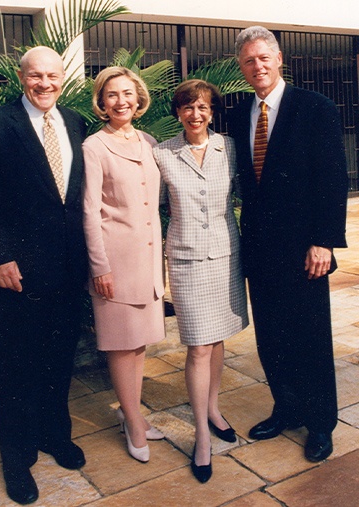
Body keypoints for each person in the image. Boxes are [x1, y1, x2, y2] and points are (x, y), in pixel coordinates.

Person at [0, 46, 88, 505]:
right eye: (35, 76)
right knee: (19, 365)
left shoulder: (75, 122)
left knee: (60, 357)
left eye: (52, 76)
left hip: (67, 266)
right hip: (17, 271)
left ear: (63, 78)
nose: (44, 84)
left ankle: (54, 435)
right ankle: (17, 459)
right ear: (21, 78)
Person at [229, 26, 348, 462]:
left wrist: (324, 241)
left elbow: (333, 178)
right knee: (272, 335)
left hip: (305, 248)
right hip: (259, 246)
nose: (257, 66)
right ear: (241, 68)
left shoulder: (314, 108)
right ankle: (287, 408)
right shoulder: (238, 111)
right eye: (248, 61)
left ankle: (320, 423)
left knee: (310, 336)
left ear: (279, 59)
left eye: (263, 57)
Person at [153, 79, 249, 483]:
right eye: (188, 107)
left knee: (218, 337)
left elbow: (249, 194)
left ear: (213, 112)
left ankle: (213, 409)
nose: (196, 114)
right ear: (178, 112)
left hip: (226, 256)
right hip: (188, 258)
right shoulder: (162, 154)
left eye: (204, 108)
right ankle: (203, 437)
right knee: (197, 346)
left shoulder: (229, 149)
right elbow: (150, 207)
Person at [82, 67, 165, 464]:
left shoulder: (149, 142)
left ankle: (133, 413)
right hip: (114, 264)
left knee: (138, 344)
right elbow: (89, 212)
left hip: (147, 262)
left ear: (139, 97)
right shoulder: (94, 146)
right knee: (120, 345)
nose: (121, 102)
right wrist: (99, 267)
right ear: (102, 101)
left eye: (128, 94)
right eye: (112, 95)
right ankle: (133, 422)